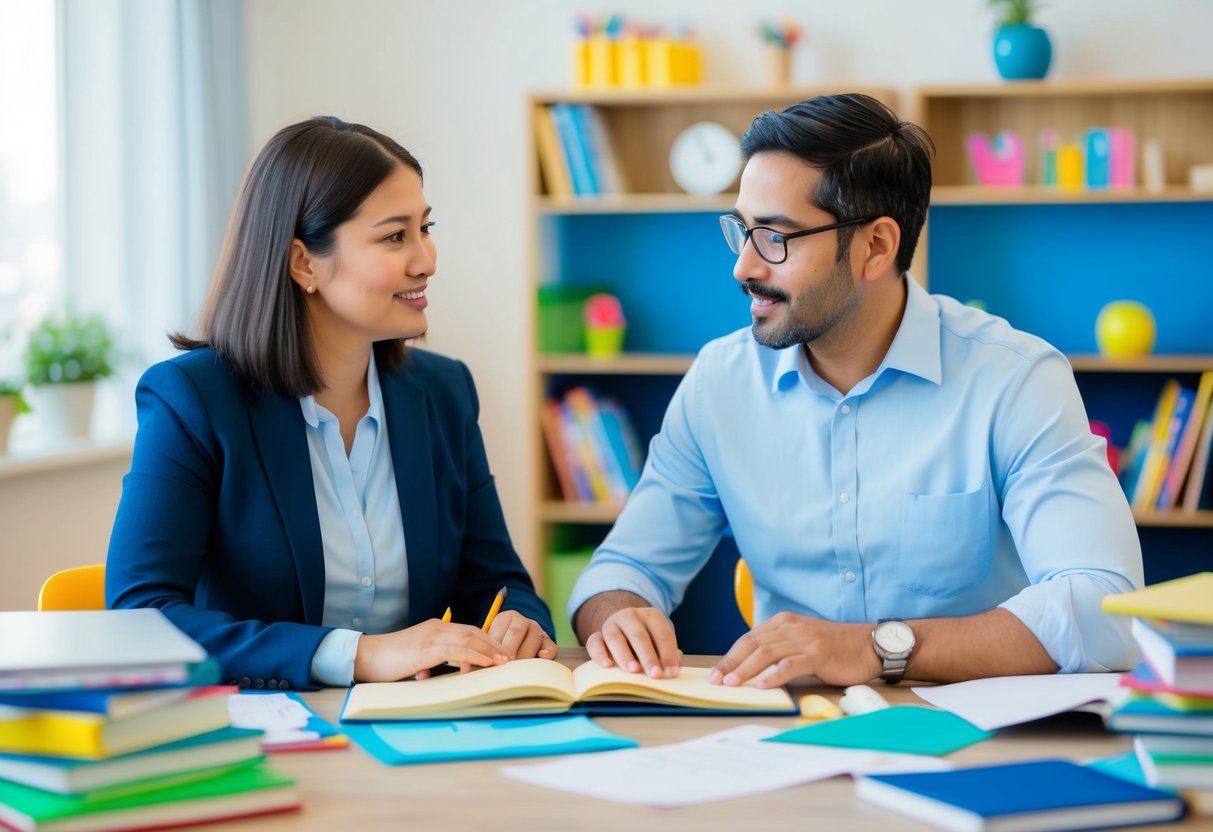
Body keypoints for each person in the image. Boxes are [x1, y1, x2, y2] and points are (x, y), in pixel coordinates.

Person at [569, 93, 1142, 690]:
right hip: (785, 730)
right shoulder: (720, 384)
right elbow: (620, 570)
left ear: (876, 246)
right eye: (742, 230)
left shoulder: (1015, 379)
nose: (742, 267)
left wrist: (875, 648)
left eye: (775, 237)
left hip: (971, 734)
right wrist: (620, 615)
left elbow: (1105, 608)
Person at [107, 116, 555, 691]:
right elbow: (139, 616)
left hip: (422, 731)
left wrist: (520, 619)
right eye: (395, 236)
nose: (427, 259)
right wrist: (358, 656)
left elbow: (496, 582)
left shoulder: (444, 393)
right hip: (262, 737)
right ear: (303, 263)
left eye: (426, 227)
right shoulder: (193, 400)